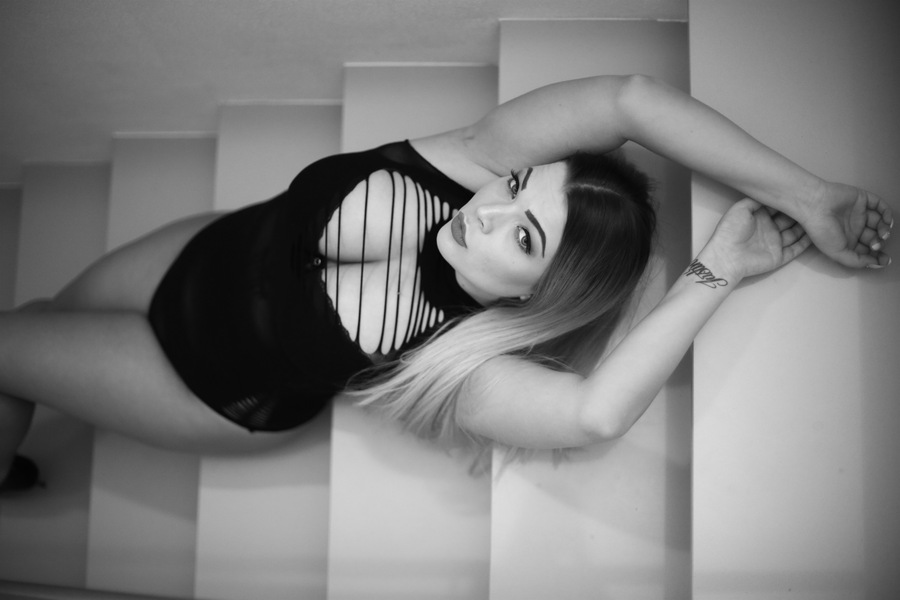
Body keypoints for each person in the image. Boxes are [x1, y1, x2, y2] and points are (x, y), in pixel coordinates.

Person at [0, 75, 892, 491]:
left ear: (536, 295)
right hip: (202, 251)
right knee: (40, 318)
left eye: (525, 237)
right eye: (517, 188)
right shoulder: (469, 162)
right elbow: (627, 101)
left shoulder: (459, 361)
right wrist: (812, 197)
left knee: (10, 350)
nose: (487, 212)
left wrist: (719, 268)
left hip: (200, 382)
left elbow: (593, 415)